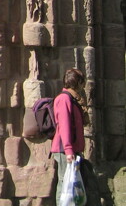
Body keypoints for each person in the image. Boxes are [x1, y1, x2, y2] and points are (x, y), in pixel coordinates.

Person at [51, 67, 88, 203]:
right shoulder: (64, 99)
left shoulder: (72, 99)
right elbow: (64, 126)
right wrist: (68, 150)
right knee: (65, 184)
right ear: (77, 83)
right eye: (82, 82)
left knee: (73, 185)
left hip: (72, 150)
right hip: (64, 151)